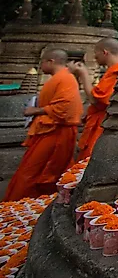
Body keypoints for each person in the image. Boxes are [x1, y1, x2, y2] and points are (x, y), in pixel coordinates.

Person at [4, 49, 82, 201]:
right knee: (35, 171)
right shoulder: (59, 78)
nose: (40, 67)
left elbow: (65, 107)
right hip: (49, 130)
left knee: (36, 172)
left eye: (42, 62)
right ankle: (24, 205)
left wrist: (37, 110)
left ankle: (22, 203)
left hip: (56, 133)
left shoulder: (66, 79)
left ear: (51, 62)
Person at [73, 38, 118, 160]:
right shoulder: (112, 71)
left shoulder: (117, 72)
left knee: (91, 159)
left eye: (96, 53)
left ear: (105, 52)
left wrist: (83, 74)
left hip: (103, 123)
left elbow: (97, 100)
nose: (95, 57)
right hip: (99, 121)